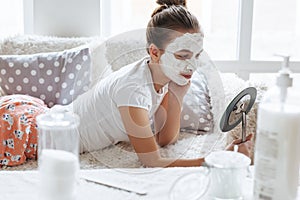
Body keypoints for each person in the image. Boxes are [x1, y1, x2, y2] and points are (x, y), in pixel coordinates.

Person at [0, 0, 252, 167]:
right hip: (29, 132)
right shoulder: (134, 90)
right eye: (183, 56)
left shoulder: (161, 78)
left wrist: (178, 95)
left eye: (197, 56)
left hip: (37, 116)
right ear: (155, 52)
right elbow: (152, 161)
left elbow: (164, 139)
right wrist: (216, 159)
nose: (192, 66)